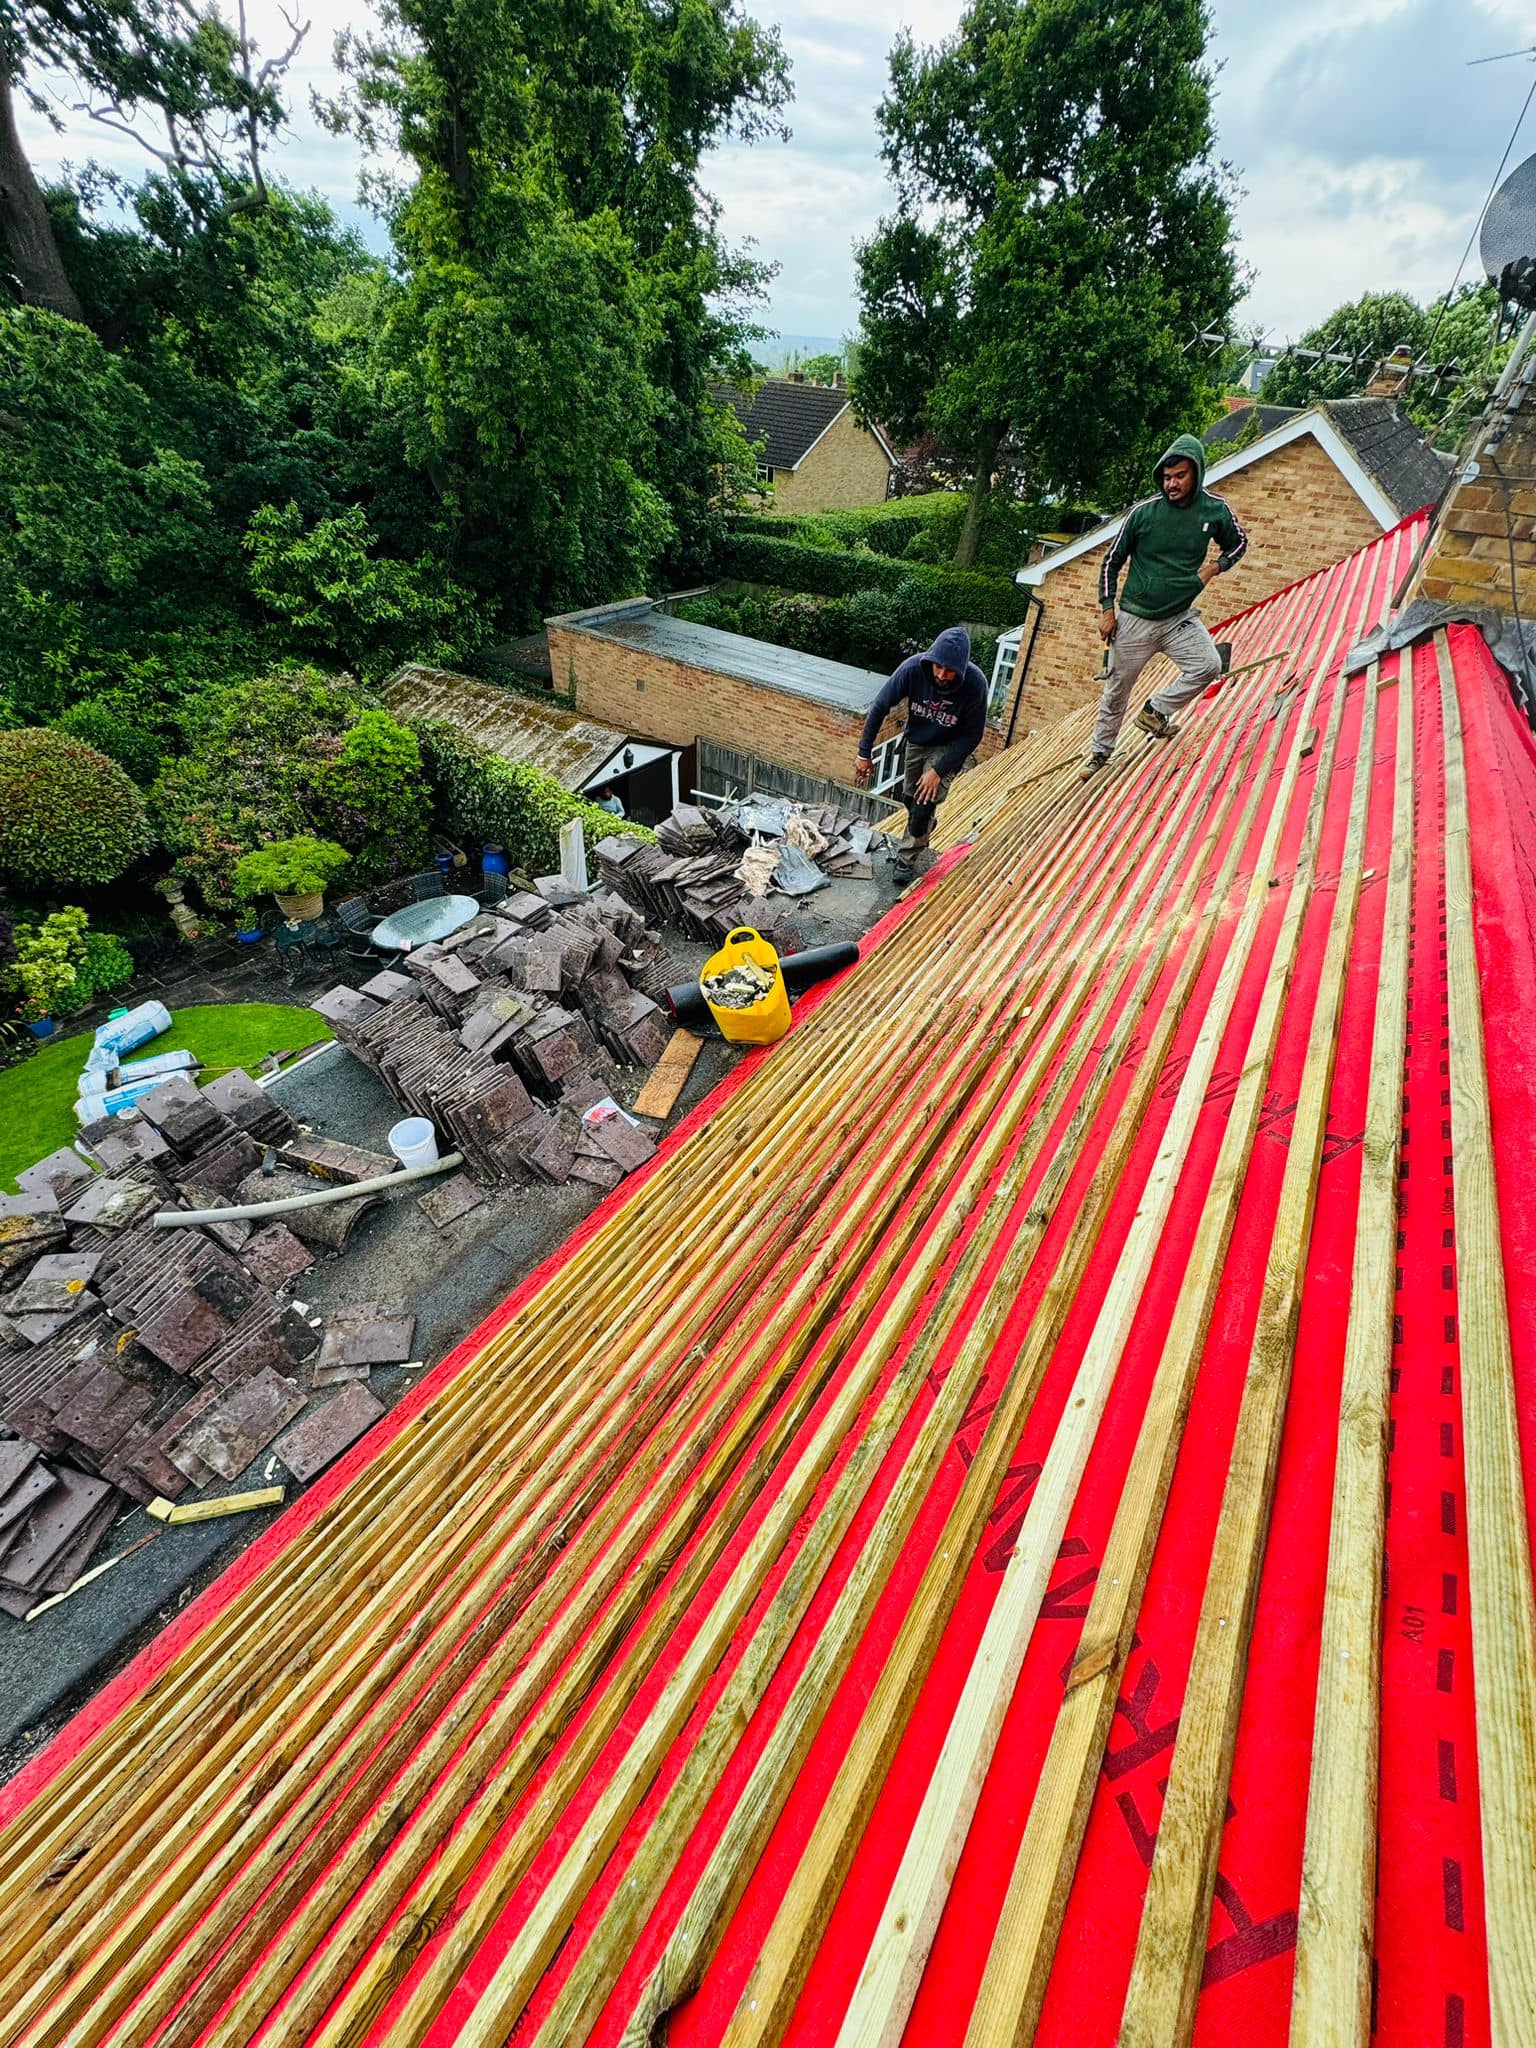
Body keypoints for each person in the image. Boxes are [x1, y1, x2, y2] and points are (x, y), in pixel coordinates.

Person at [1083, 432, 1247, 778]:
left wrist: (1214, 568)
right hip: (1133, 620)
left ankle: (1156, 710)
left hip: (1178, 618)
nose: (1171, 484)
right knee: (1116, 690)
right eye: (1167, 477)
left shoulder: (1214, 511)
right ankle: (1100, 753)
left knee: (1209, 665)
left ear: (1196, 473)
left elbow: (1239, 543)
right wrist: (1107, 609)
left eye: (1180, 476)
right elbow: (1111, 561)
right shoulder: (1144, 514)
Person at [856, 626, 988, 882]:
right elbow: (880, 706)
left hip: (947, 748)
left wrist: (939, 771)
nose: (941, 674)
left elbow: (973, 736)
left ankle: (907, 859)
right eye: (938, 667)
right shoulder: (912, 669)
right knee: (909, 799)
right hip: (917, 740)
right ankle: (924, 824)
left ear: (961, 669)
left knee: (921, 808)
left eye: (950, 671)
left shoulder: (975, 684)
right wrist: (864, 752)